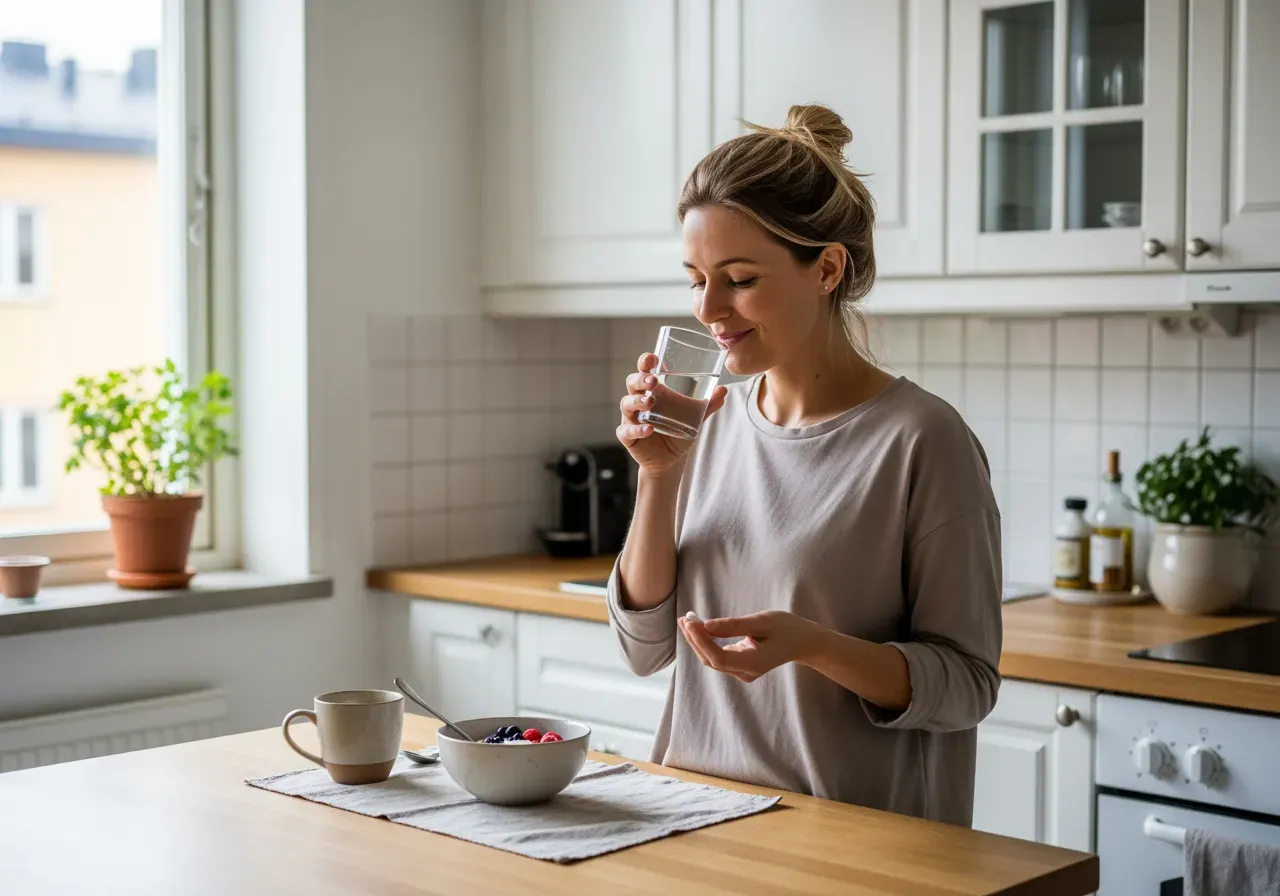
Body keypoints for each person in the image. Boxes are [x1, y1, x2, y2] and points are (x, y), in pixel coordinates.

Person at [607, 104, 1002, 826]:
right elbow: (643, 649)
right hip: (695, 819)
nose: (708, 308)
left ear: (826, 268)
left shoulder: (923, 441)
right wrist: (657, 475)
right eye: (696, 278)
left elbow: (968, 686)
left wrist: (816, 647)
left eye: (740, 278)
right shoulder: (704, 423)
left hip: (853, 843)